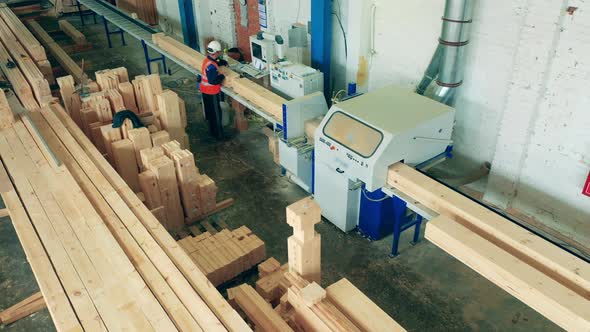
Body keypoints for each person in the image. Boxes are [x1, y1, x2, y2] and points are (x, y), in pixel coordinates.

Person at [199, 40, 228, 139]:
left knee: (210, 113)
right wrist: (223, 76)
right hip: (211, 92)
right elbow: (213, 81)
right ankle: (219, 136)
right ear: (216, 53)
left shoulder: (207, 60)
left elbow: (216, 62)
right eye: (218, 52)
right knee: (216, 115)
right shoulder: (211, 66)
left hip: (204, 91)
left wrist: (222, 62)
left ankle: (212, 132)